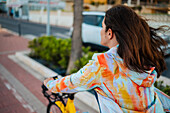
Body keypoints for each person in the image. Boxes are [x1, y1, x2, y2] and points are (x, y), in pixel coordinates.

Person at [44, 5, 170, 113]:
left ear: (109, 33)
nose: (100, 31)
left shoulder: (104, 65)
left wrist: (50, 83)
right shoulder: (140, 59)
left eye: (102, 26)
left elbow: (73, 82)